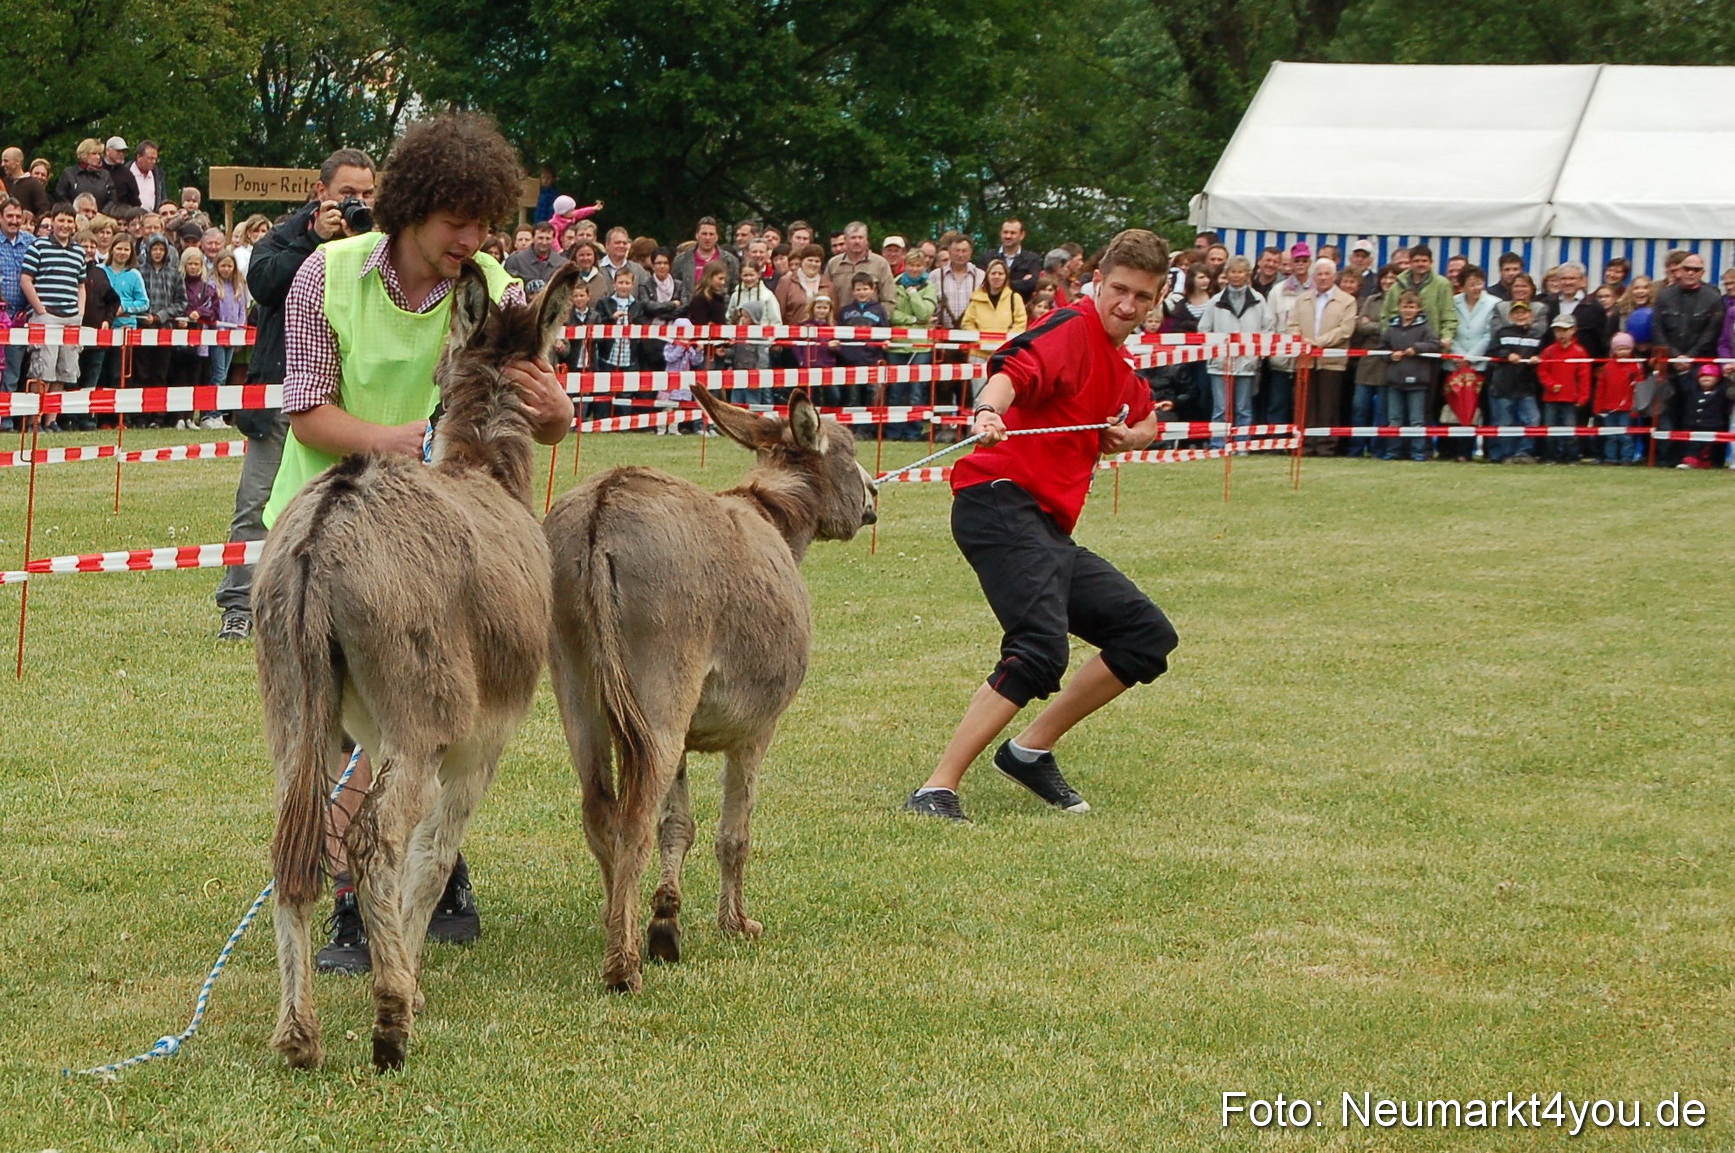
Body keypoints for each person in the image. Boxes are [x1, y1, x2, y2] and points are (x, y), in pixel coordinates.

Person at [264, 116, 571, 977]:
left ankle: (385, 897)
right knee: (341, 728)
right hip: (323, 519)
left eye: (486, 226)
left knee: (413, 718)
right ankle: (385, 886)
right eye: (457, 225)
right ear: (408, 210)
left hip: (448, 540)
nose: (472, 242)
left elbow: (548, 412)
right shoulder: (325, 276)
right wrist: (401, 443)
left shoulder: (496, 289)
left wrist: (553, 412)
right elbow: (308, 409)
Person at [901, 229, 1176, 823]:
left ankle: (1029, 751)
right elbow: (1012, 367)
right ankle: (935, 788)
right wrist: (986, 409)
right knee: (1038, 650)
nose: (1126, 305)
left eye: (1141, 297)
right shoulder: (1069, 330)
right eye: (1119, 290)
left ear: (1155, 301)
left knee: (1145, 636)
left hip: (1046, 527)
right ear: (1097, 283)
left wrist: (1132, 436)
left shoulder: (1119, 362)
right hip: (996, 500)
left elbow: (1149, 414)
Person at [215, 148, 376, 641]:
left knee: (349, 503)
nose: (358, 202)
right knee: (257, 504)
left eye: (367, 193)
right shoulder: (283, 237)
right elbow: (263, 285)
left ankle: (340, 608)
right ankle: (239, 606)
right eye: (348, 193)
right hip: (280, 395)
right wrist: (316, 241)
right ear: (320, 192)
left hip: (344, 401)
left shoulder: (378, 245)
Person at [19, 203, 87, 429]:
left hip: (71, 318)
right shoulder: (38, 247)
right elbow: (26, 280)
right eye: (61, 220)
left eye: (69, 221)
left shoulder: (78, 251)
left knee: (64, 372)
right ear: (53, 221)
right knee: (42, 371)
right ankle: (33, 420)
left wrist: (80, 313)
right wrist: (40, 310)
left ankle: (51, 421)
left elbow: (81, 285)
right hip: (46, 317)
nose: (65, 225)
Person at [1652, 254, 1723, 464]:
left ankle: (1693, 456)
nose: (1691, 273)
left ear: (1702, 273)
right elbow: (1658, 330)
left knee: (1695, 414)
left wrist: (1690, 357)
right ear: (1679, 270)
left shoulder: (1712, 298)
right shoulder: (1664, 296)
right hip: (1669, 365)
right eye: (1687, 268)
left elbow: (1711, 333)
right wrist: (1675, 356)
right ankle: (1665, 458)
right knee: (1667, 412)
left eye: (1696, 269)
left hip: (1698, 366)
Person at [1197, 254, 1271, 450]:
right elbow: (1204, 329)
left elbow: (1267, 328)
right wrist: (1213, 352)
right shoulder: (1215, 301)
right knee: (1220, 408)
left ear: (1247, 275)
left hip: (1247, 362)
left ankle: (1241, 445)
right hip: (1219, 363)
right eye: (1233, 271)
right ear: (1226, 274)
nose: (1236, 276)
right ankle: (1218, 444)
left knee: (1243, 408)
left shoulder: (1258, 300)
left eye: (1240, 272)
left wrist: (1257, 353)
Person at [1288, 257, 1357, 455]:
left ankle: (1326, 446)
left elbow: (1345, 330)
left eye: (1327, 274)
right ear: (1313, 276)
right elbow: (1292, 325)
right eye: (1319, 274)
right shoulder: (1302, 299)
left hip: (1331, 362)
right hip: (1305, 361)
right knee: (1305, 406)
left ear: (1334, 276)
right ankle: (1306, 445)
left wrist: (1319, 342)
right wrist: (1301, 341)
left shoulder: (1347, 301)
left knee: (1329, 406)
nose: (1323, 278)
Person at [1377, 290, 1442, 462]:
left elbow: (1435, 345)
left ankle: (1418, 452)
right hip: (1394, 380)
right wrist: (1390, 356)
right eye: (1405, 306)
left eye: (1412, 307)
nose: (1408, 310)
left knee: (1416, 420)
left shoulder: (1425, 328)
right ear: (1398, 307)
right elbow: (1381, 349)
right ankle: (1393, 451)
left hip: (1418, 381)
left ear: (1418, 309)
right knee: (1394, 419)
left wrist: (1417, 348)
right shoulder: (1391, 329)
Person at [1345, 264, 1398, 458]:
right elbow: (1359, 326)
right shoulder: (1370, 300)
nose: (1388, 281)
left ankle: (1379, 449)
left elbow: (1396, 329)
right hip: (1366, 364)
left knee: (1382, 413)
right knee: (1359, 408)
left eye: (1393, 278)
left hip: (1389, 364)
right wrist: (1382, 328)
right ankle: (1356, 448)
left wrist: (1374, 326)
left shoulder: (1401, 301)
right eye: (1385, 277)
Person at [1485, 300, 1543, 464]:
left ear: (1530, 315)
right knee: (1504, 423)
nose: (1520, 316)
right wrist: (1506, 355)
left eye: (1523, 312)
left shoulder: (1537, 335)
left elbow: (1543, 354)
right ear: (1510, 316)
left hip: (1526, 385)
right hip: (1503, 385)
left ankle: (1524, 453)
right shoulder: (1502, 333)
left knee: (1532, 419)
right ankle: (1505, 455)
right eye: (1516, 313)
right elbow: (1491, 351)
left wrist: (1537, 358)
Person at [1536, 313, 1590, 463]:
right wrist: (1551, 385)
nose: (1560, 334)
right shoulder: (1549, 351)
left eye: (1564, 330)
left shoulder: (1580, 352)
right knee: (1549, 428)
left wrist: (1583, 396)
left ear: (1573, 330)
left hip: (1570, 398)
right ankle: (1551, 456)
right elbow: (1542, 371)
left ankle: (1572, 457)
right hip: (1551, 398)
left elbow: (1584, 377)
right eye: (1557, 330)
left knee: (1570, 429)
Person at [0, 197, 35, 428]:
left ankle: (6, 418)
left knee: (13, 370)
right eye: (9, 216)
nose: (14, 221)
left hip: (22, 316)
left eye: (17, 216)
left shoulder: (32, 242)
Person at [960, 257, 1028, 370]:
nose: (997, 276)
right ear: (987, 275)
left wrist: (1003, 344)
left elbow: (1020, 324)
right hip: (978, 354)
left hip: (1005, 354)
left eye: (1000, 273)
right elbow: (967, 323)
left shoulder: (1014, 298)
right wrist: (982, 342)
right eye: (993, 273)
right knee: (979, 388)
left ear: (1006, 276)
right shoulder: (976, 298)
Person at [1593, 332, 1643, 465]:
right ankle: (1611, 458)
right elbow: (1600, 388)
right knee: (1611, 435)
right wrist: (1598, 407)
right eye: (1619, 349)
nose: (1623, 352)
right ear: (1613, 350)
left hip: (1627, 408)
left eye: (1626, 348)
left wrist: (1636, 407)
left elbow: (1639, 389)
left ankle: (1626, 458)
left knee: (1626, 436)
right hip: (1609, 408)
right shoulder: (1607, 367)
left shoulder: (1636, 366)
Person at [825, 221, 895, 306]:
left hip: (871, 317)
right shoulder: (833, 264)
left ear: (867, 240)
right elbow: (825, 295)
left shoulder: (880, 263)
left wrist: (878, 317)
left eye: (861, 237)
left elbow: (889, 299)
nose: (857, 241)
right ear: (846, 240)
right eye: (853, 238)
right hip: (840, 317)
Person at [673, 216, 739, 297]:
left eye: (711, 234)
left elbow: (735, 290)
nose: (707, 238)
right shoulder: (682, 260)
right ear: (697, 235)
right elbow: (676, 288)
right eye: (704, 234)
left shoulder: (730, 261)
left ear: (717, 237)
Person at [978, 218, 1042, 300]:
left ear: (1022, 235)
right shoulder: (987, 257)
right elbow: (982, 283)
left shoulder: (1032, 259)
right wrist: (1020, 283)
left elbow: (1032, 284)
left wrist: (997, 283)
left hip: (1021, 308)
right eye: (1005, 232)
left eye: (1012, 233)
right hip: (992, 307)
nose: (1008, 236)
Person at [502, 221, 569, 297]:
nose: (544, 242)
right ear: (533, 238)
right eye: (540, 238)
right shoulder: (515, 260)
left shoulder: (562, 264)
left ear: (553, 239)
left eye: (548, 238)